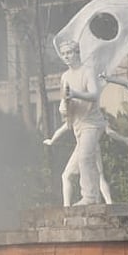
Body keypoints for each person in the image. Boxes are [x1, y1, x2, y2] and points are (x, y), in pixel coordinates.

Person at [45, 39, 106, 205]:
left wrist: (75, 94)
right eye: (63, 54)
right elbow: (65, 101)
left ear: (77, 53)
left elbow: (94, 95)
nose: (66, 56)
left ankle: (88, 196)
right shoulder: (65, 77)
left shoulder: (87, 71)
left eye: (69, 53)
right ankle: (95, 197)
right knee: (89, 160)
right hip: (78, 124)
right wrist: (63, 108)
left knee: (85, 158)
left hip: (92, 122)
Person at [44, 119, 128, 206]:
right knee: (99, 176)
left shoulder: (79, 116)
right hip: (94, 147)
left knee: (66, 176)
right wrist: (124, 139)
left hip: (82, 148)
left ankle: (66, 205)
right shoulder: (97, 118)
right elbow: (110, 132)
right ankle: (109, 201)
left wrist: (52, 141)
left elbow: (63, 129)